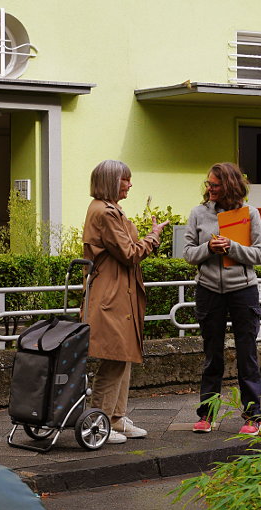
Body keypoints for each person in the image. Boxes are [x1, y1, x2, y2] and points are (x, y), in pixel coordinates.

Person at [82, 160, 168, 444]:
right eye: (125, 180)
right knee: (114, 359)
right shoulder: (105, 212)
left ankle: (115, 419)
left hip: (116, 291)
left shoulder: (107, 209)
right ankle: (100, 421)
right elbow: (129, 254)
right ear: (111, 181)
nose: (130, 184)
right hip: (112, 293)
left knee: (123, 356)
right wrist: (153, 238)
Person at [182, 162, 261, 435]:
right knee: (212, 355)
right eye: (208, 184)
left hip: (243, 290)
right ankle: (206, 415)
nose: (209, 189)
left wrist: (232, 247)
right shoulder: (197, 213)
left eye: (215, 185)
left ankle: (253, 417)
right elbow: (186, 253)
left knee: (247, 356)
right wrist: (208, 247)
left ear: (229, 186)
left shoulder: (249, 213)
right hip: (208, 290)